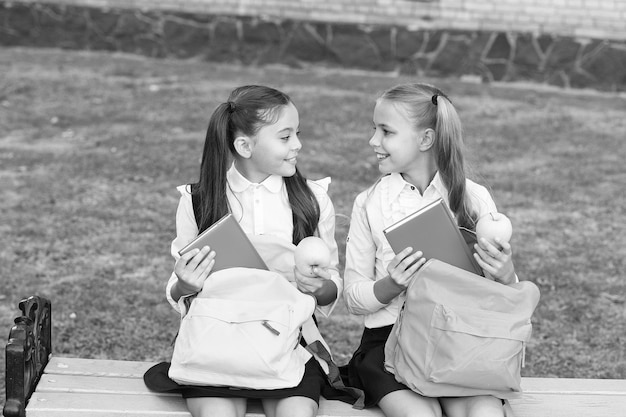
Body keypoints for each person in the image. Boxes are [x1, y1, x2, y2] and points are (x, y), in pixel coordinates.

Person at [144, 85, 346, 417]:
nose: (298, 145)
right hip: (217, 346)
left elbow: (331, 288)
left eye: (297, 134)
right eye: (285, 137)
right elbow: (176, 290)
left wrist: (319, 286)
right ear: (244, 145)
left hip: (288, 346)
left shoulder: (311, 200)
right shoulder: (198, 201)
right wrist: (186, 285)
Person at [342, 83, 517, 417]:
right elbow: (353, 299)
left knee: (484, 413)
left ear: (425, 139)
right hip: (388, 344)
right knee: (420, 415)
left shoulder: (473, 199)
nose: (373, 141)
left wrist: (504, 274)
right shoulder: (369, 204)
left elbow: (501, 295)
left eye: (386, 131)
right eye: (374, 129)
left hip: (458, 340)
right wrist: (391, 284)